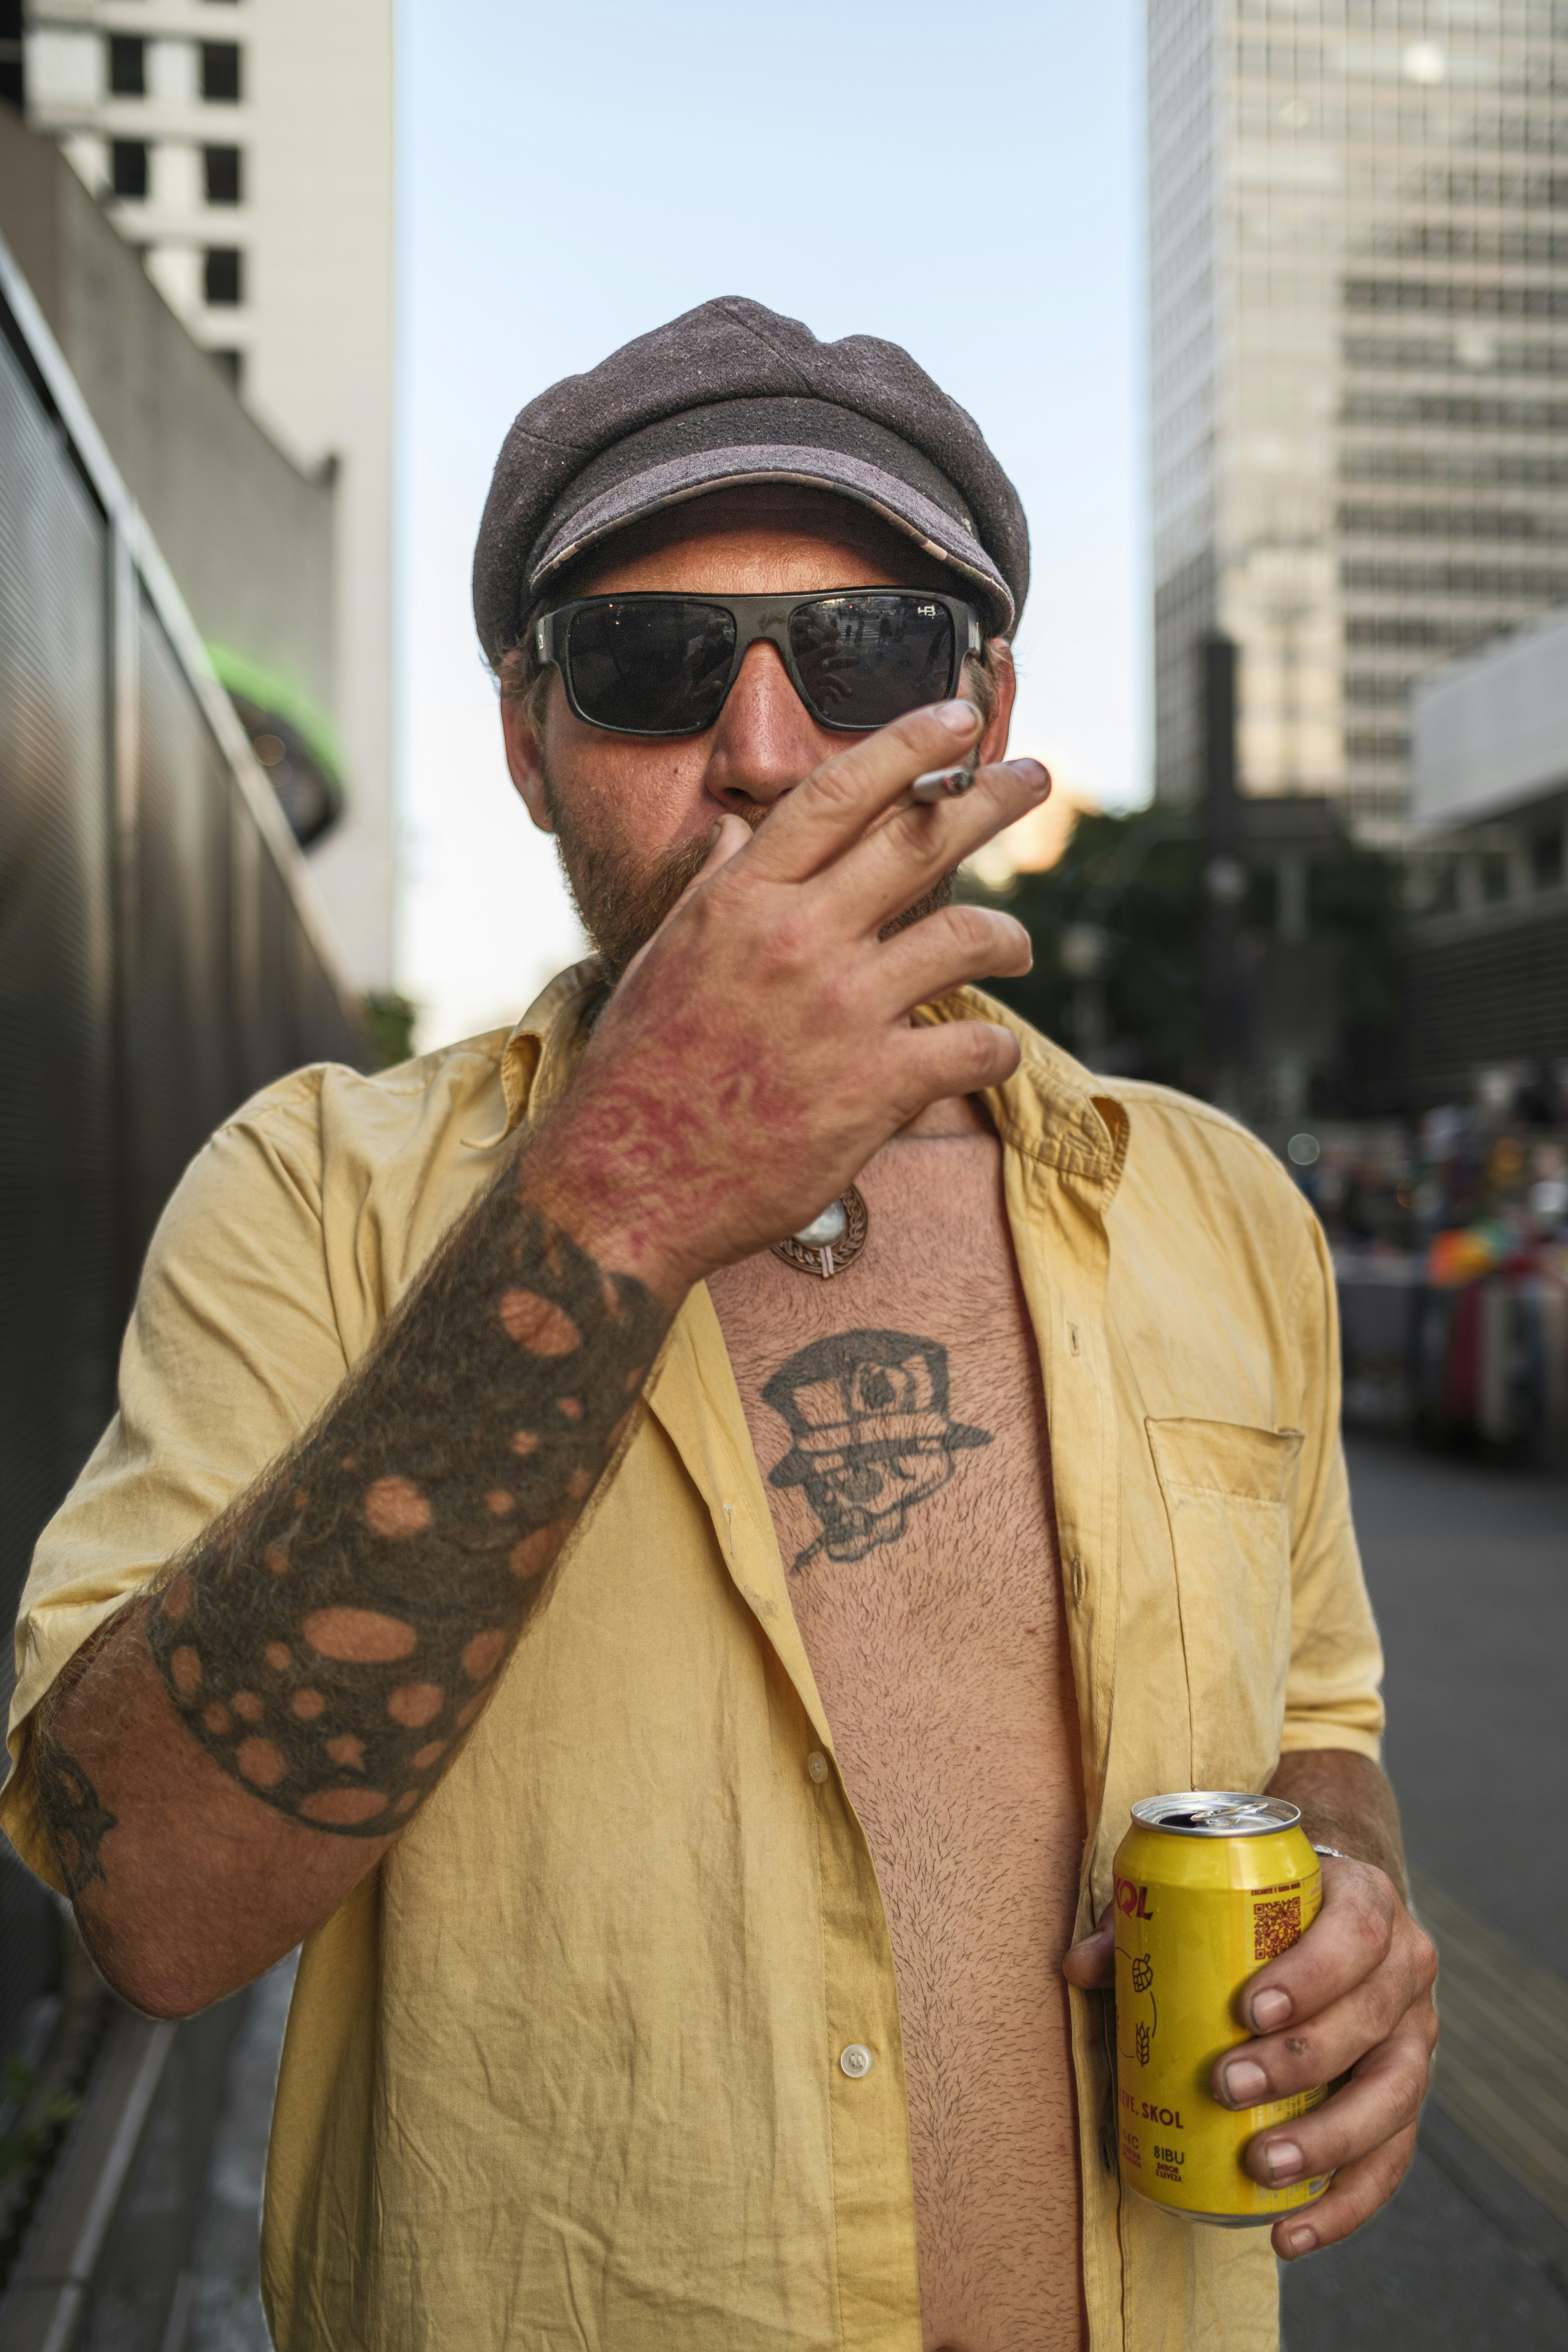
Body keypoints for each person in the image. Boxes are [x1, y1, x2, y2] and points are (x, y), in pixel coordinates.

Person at [3, 298, 1435, 2352]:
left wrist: (1359, 1903)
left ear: (986, 706)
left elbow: (1321, 1727)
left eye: (863, 655)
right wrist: (626, 1189)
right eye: (654, 667)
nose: (765, 751)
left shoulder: (1214, 1206)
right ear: (529, 742)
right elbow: (149, 1903)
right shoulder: (311, 1197)